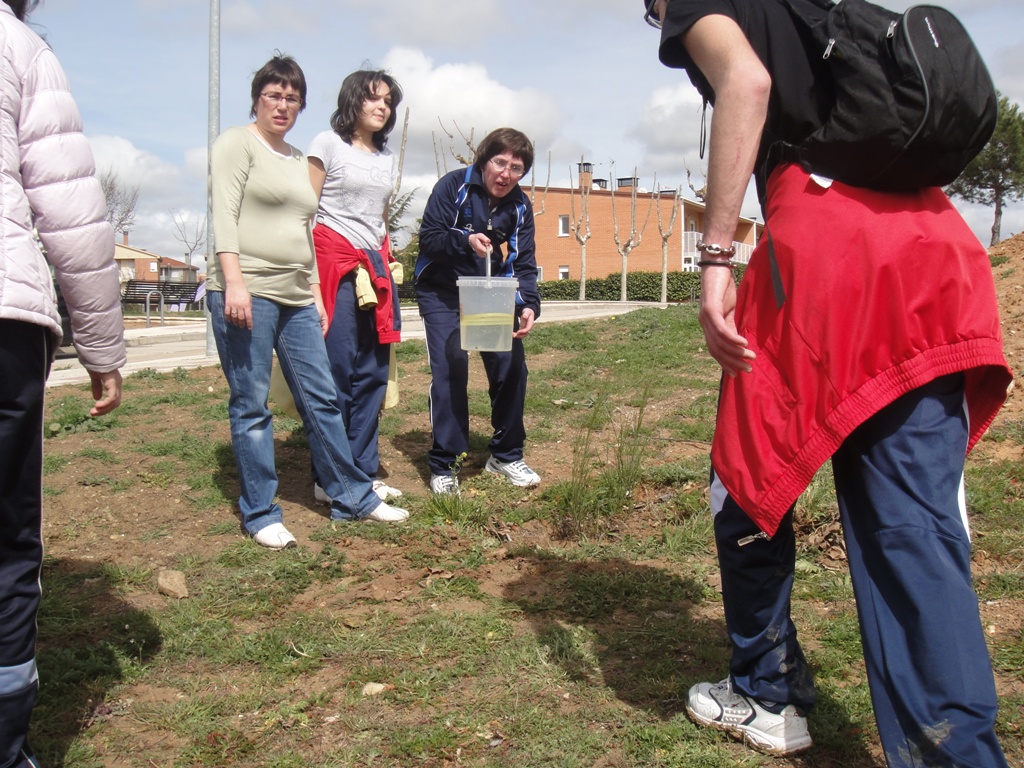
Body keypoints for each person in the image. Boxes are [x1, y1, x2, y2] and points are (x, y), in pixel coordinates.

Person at [644, 0, 1012, 764]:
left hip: (830, 256)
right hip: (935, 251)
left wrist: (715, 259)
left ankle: (767, 693)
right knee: (915, 531)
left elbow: (745, 81)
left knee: (744, 480)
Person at [208, 54, 409, 550]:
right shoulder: (237, 143)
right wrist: (233, 281)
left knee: (321, 397)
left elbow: (306, 226)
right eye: (274, 95)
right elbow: (224, 215)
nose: (283, 105)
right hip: (246, 289)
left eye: (292, 98)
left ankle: (351, 496)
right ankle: (260, 511)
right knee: (252, 404)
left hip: (298, 293)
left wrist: (315, 293)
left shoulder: (299, 158)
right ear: (257, 98)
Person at [0, 0, 126, 764]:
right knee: (10, 541)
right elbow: (70, 215)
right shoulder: (20, 48)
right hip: (5, 320)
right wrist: (103, 348)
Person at [415, 128, 542, 494]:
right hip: (441, 292)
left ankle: (504, 455)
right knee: (452, 366)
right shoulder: (452, 186)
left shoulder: (519, 206)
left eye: (516, 167)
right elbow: (430, 238)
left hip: (487, 294)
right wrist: (464, 239)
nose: (505, 173)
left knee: (511, 365)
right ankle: (446, 463)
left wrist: (528, 304)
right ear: (484, 160)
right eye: (499, 162)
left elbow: (522, 262)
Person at [307, 69, 404, 505]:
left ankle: (363, 471)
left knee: (372, 374)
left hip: (375, 267)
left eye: (388, 101)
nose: (382, 107)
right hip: (335, 264)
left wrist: (388, 253)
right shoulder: (327, 143)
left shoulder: (386, 159)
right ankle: (328, 476)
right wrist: (308, 281)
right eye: (374, 98)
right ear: (353, 101)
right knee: (337, 372)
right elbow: (305, 211)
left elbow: (378, 216)